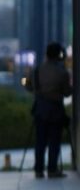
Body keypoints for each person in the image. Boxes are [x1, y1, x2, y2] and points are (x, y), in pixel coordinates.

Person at [26, 42, 72, 178]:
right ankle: (52, 169)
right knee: (54, 141)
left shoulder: (37, 70)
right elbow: (67, 93)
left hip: (40, 109)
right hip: (56, 110)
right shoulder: (62, 72)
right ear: (59, 55)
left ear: (46, 54)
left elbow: (29, 86)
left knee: (40, 141)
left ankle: (38, 169)